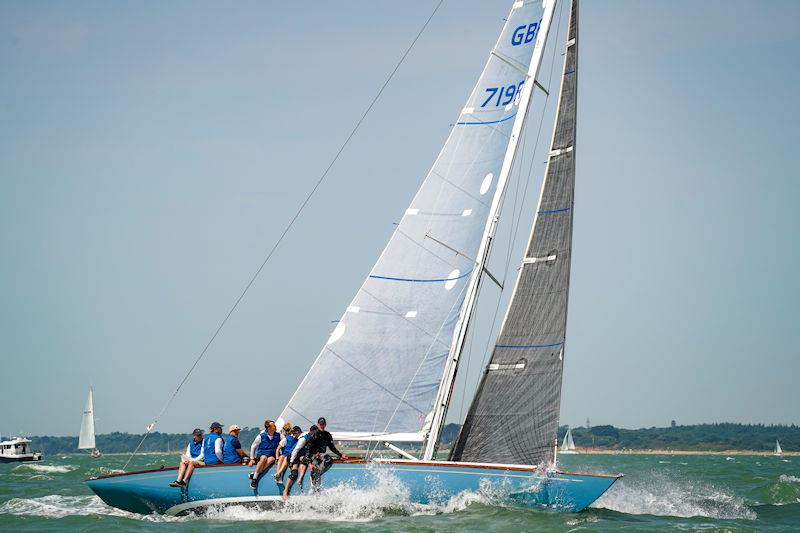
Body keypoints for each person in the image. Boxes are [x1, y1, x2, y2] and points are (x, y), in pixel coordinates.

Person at [305, 417, 348, 492]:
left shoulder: (327, 435)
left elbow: (332, 447)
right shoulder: (313, 435)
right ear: (318, 424)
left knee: (329, 459)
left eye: (323, 424)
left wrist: (341, 455)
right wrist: (309, 464)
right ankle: (314, 479)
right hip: (313, 456)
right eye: (320, 424)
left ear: (325, 425)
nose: (322, 426)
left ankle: (316, 475)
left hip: (321, 456)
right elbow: (308, 450)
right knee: (315, 465)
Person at [283, 425, 315, 500]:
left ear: (297, 432)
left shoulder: (306, 436)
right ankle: (285, 491)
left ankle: (300, 478)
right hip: (292, 456)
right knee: (294, 474)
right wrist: (291, 462)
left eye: (294, 434)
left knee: (305, 460)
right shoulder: (303, 439)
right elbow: (295, 451)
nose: (293, 436)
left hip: (299, 456)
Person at [247, 420, 281, 488]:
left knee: (271, 459)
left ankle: (254, 474)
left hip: (271, 454)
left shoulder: (279, 435)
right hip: (262, 454)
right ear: (269, 428)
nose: (275, 427)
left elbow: (285, 443)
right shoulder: (260, 436)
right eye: (273, 426)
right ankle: (254, 479)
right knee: (264, 458)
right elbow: (253, 447)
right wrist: (252, 459)